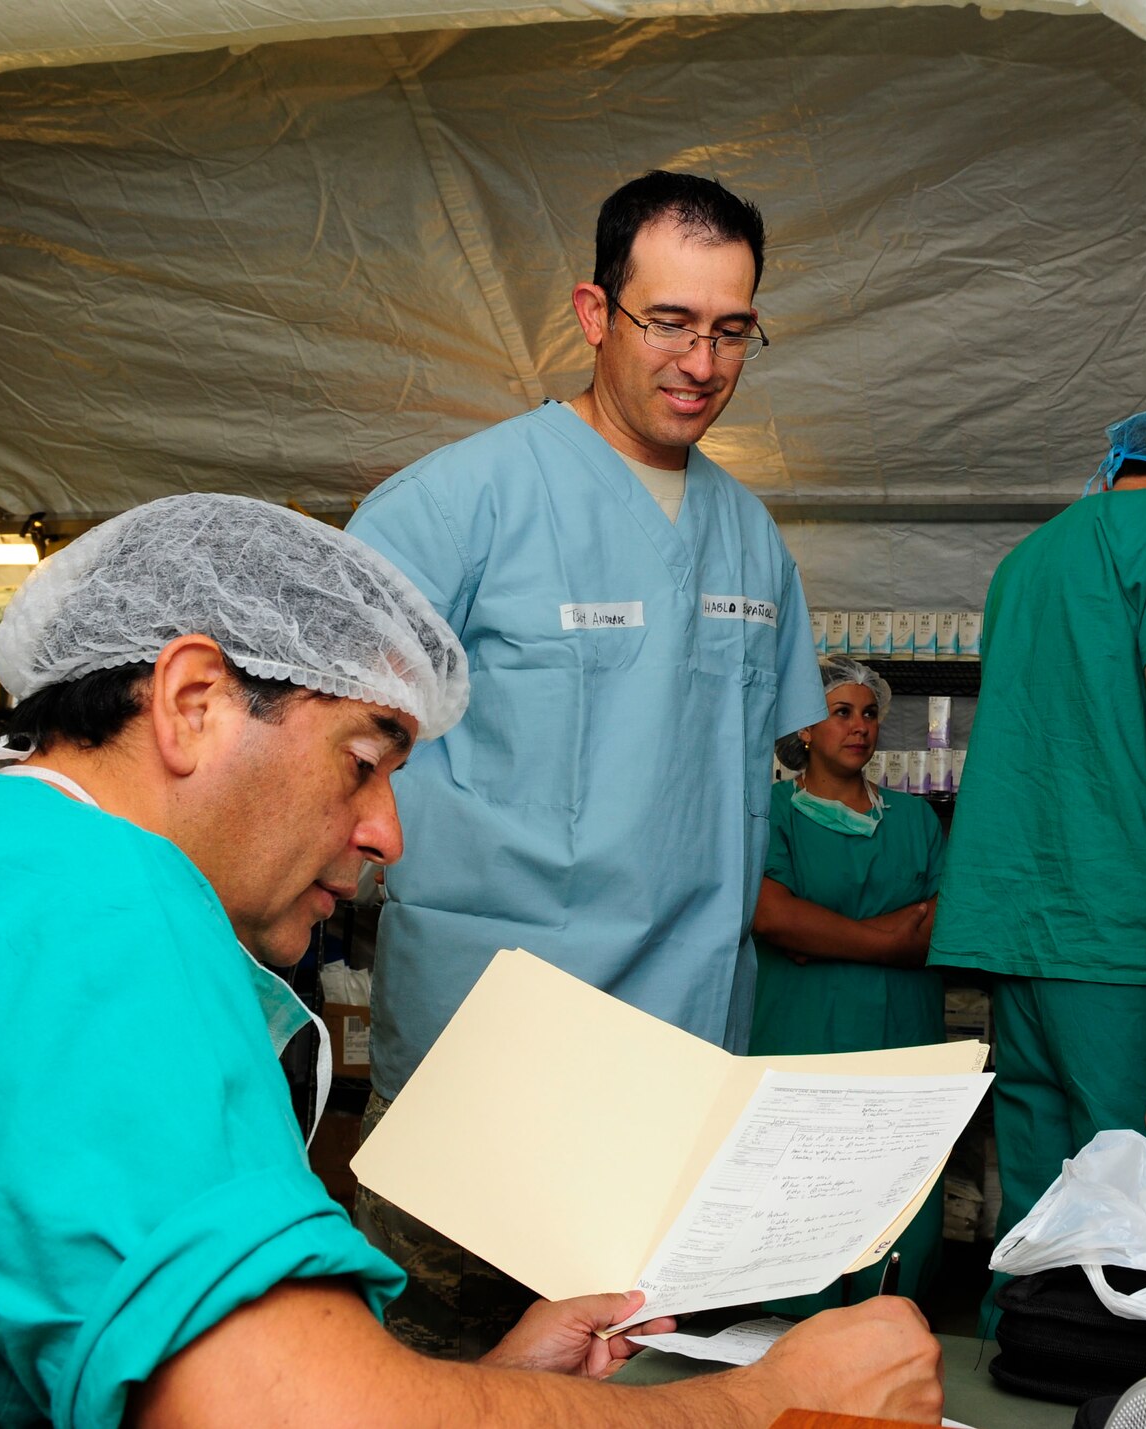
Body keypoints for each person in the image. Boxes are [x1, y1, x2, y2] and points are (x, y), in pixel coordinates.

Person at [0, 495, 944, 1427]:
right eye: (364, 761)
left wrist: (493, 1380)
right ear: (195, 701)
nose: (386, 831)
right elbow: (265, 1408)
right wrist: (767, 1403)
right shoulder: (86, 887)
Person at [345, 171, 826, 1356]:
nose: (700, 361)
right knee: (435, 1381)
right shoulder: (452, 509)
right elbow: (327, 748)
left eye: (730, 331)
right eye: (668, 320)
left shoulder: (750, 541)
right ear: (595, 312)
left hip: (670, 1083)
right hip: (480, 1076)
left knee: (631, 1384)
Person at [926, 409, 1146, 1321]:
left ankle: (1016, 1362)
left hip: (1019, 920)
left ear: (1118, 464)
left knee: (1036, 1185)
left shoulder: (1025, 563)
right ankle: (1108, 1388)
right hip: (1118, 918)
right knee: (1133, 1192)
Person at [750, 656, 946, 1311]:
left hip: (902, 1050)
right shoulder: (770, 812)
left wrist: (825, 936)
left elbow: (938, 928)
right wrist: (888, 938)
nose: (859, 726)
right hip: (800, 1040)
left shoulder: (916, 821)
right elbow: (771, 915)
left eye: (868, 712)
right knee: (799, 1209)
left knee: (893, 1212)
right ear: (804, 728)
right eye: (840, 712)